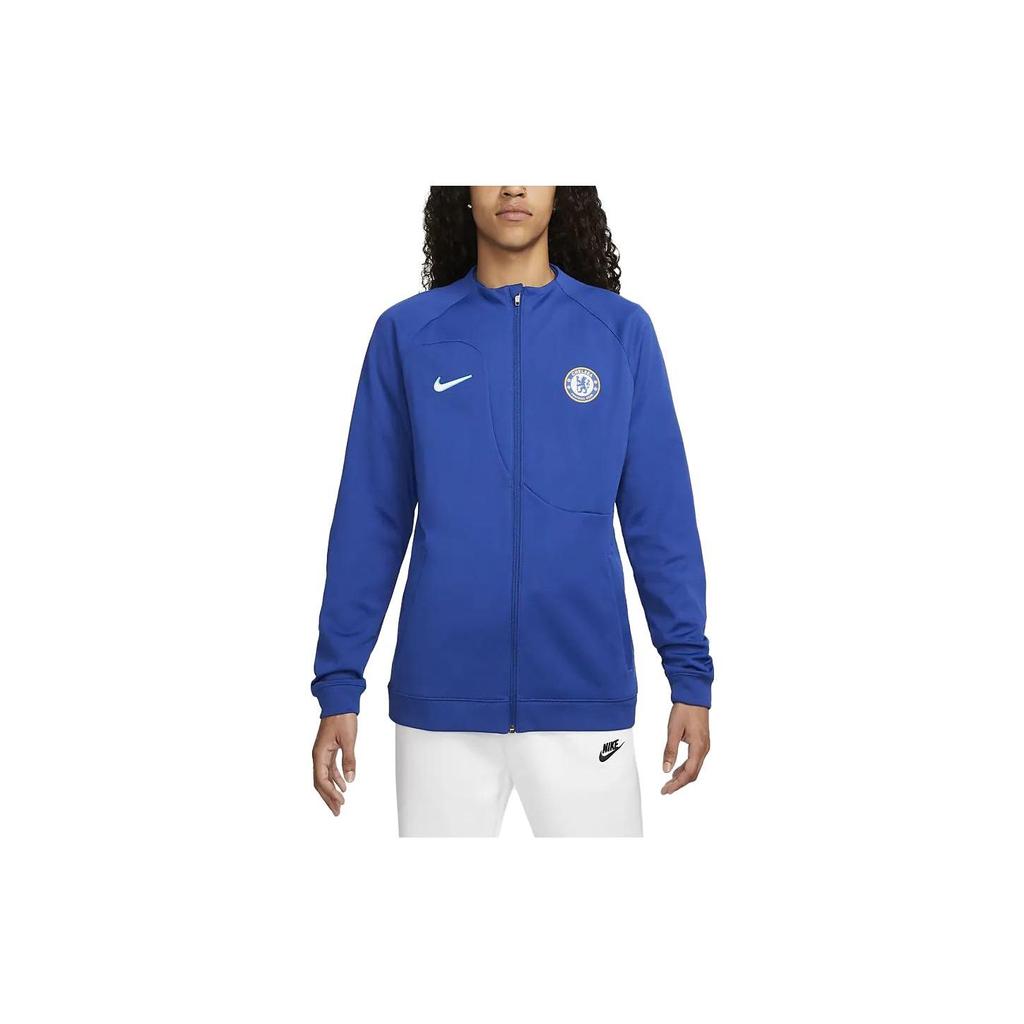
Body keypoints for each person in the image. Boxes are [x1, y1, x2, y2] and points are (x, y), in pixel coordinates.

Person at [310, 186, 713, 837]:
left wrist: (689, 676)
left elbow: (660, 519)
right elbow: (369, 521)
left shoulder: (620, 332)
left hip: (584, 693)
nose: (514, 185)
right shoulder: (409, 334)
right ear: (461, 193)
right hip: (441, 702)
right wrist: (338, 684)